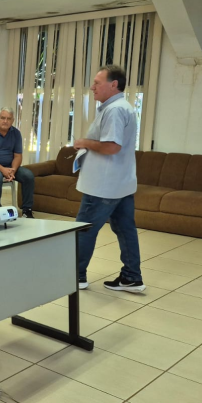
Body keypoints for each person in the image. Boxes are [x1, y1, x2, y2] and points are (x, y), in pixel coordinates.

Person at [74, 65, 145, 293]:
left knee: (84, 229)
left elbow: (112, 146)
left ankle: (75, 276)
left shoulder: (114, 110)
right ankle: (131, 277)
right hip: (120, 184)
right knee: (125, 229)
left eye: (97, 82)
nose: (92, 87)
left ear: (113, 84)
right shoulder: (122, 107)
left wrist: (84, 142)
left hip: (103, 186)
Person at [0, 107, 35, 217]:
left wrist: (13, 170)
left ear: (13, 120)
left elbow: (18, 156)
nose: (5, 121)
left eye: (9, 119)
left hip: (10, 167)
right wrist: (2, 170)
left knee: (28, 175)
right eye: (3, 118)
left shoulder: (16, 133)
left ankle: (27, 209)